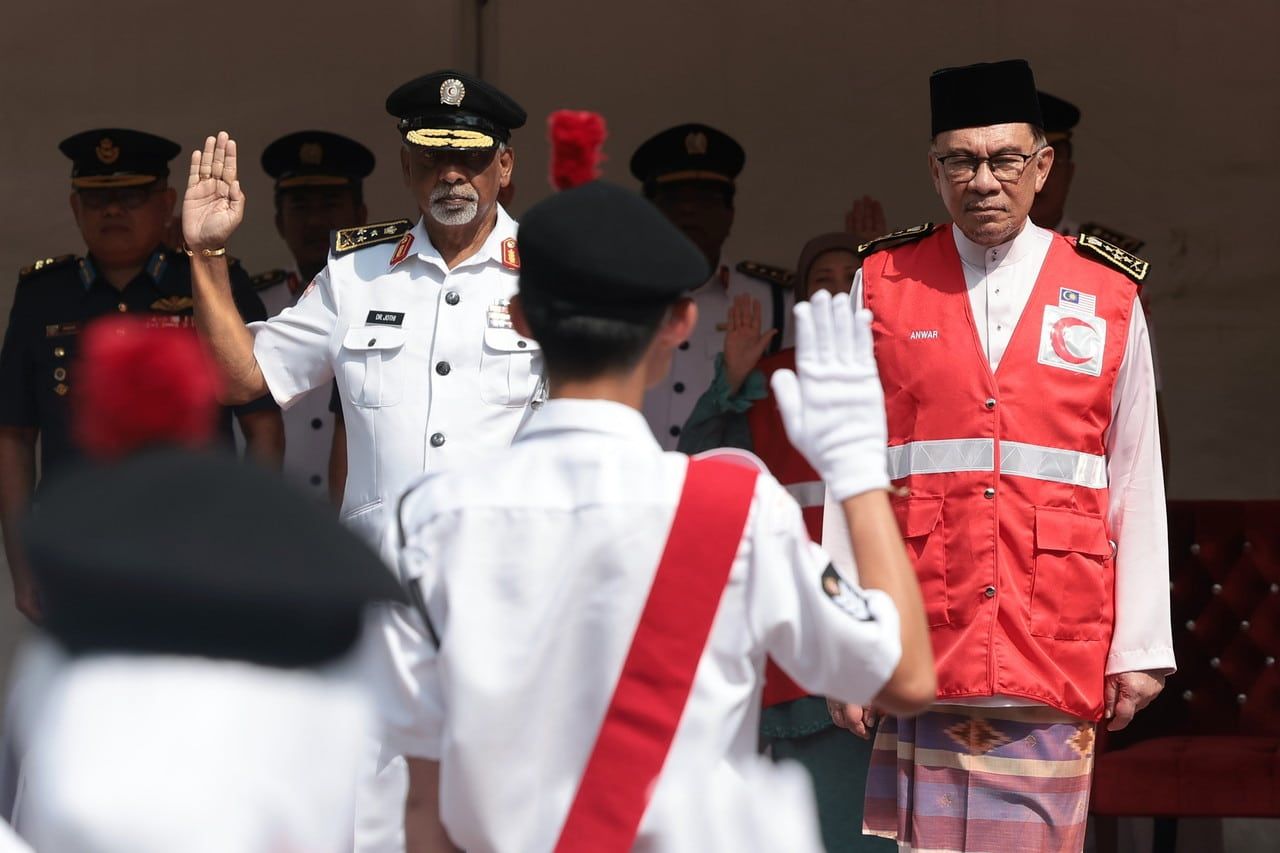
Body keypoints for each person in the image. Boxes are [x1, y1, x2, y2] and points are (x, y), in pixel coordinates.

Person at [366, 180, 934, 851]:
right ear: (681, 322)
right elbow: (905, 676)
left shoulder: (429, 520)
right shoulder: (736, 509)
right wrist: (859, 475)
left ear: (519, 317)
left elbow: (425, 797)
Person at [821, 59, 1173, 852]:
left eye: (1004, 158)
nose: (983, 180)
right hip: (924, 631)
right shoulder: (882, 283)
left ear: (1042, 166)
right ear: (935, 168)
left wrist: (1142, 646)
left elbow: (1135, 474)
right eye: (961, 160)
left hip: (1056, 630)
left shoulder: (1107, 292)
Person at [182, 70, 539, 852]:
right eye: (432, 157)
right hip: (383, 614)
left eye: (472, 158)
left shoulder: (549, 274)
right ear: (407, 166)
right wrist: (206, 257)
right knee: (377, 829)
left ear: (504, 166)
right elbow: (245, 377)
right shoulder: (355, 271)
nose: (452, 175)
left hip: (512, 606)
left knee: (511, 822)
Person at [0, 128, 282, 622]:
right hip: (75, 545)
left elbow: (264, 427)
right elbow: (14, 438)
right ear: (74, 207)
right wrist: (23, 568)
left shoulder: (214, 281)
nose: (112, 211)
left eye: (129, 197)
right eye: (97, 199)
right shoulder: (43, 295)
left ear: (167, 202)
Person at [678, 231, 890, 851]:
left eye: (852, 279)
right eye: (822, 280)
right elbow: (693, 473)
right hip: (803, 654)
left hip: (899, 637)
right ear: (799, 298)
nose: (837, 292)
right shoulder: (768, 382)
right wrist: (730, 380)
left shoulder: (911, 374)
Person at [630, 123, 793, 449]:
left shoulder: (774, 301)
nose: (689, 213)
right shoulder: (617, 294)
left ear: (729, 213)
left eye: (705, 201)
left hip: (725, 488)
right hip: (632, 487)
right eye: (674, 201)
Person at [255, 130, 375, 498]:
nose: (315, 221)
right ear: (278, 222)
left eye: (329, 204)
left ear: (359, 214)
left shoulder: (385, 295)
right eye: (300, 207)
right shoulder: (255, 301)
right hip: (274, 520)